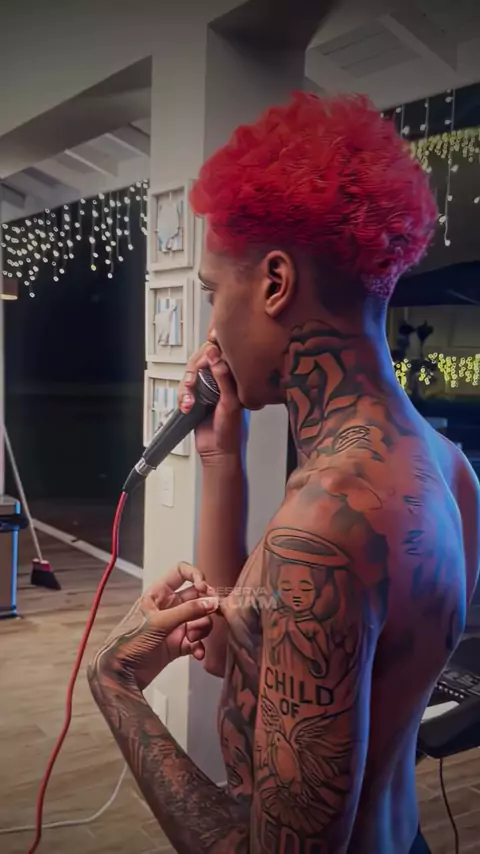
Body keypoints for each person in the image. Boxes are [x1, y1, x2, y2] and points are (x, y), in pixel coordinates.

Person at [88, 92, 480, 854]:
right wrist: (221, 461)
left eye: (213, 293)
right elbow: (241, 651)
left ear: (274, 282)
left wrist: (114, 685)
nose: (210, 331)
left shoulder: (323, 525)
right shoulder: (452, 472)